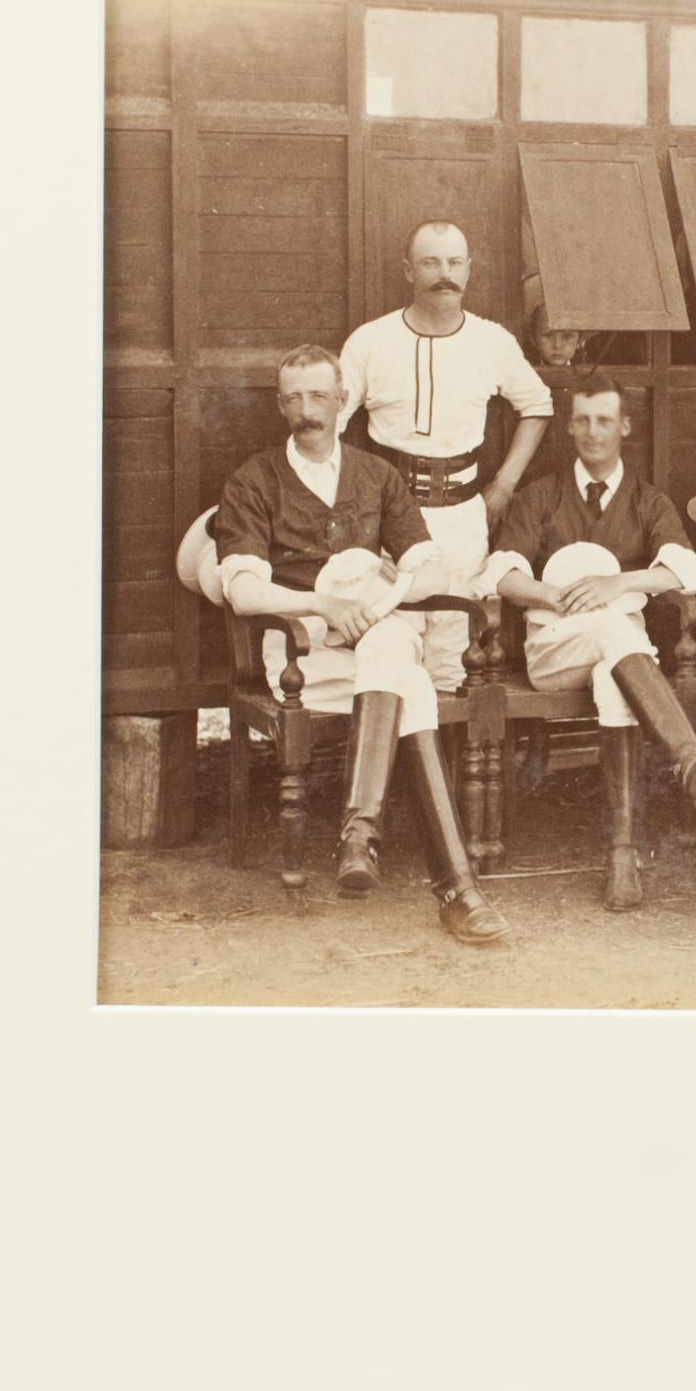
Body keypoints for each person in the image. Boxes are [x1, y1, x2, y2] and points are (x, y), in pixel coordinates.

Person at [209, 344, 508, 944]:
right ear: (278, 404)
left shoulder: (377, 475)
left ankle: (362, 838)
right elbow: (242, 592)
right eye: (292, 397)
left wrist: (381, 604)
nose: (306, 410)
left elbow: (431, 572)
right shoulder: (254, 480)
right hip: (302, 656)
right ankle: (452, 886)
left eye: (319, 395)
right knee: (408, 678)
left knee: (390, 650)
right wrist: (323, 605)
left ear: (344, 400)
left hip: (376, 642)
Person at [483, 376, 696, 910]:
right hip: (553, 652)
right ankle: (686, 756)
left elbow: (686, 571)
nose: (593, 432)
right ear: (570, 427)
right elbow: (500, 575)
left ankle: (622, 855)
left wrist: (620, 583)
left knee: (615, 672)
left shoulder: (646, 500)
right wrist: (556, 594)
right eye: (584, 420)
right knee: (618, 631)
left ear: (624, 426)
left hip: (615, 662)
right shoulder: (541, 496)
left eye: (604, 420)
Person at [338, 219, 554, 692]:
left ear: (470, 269)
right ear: (408, 270)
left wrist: (505, 483)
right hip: (390, 517)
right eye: (431, 262)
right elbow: (331, 422)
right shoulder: (370, 342)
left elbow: (538, 405)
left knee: (456, 652)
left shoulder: (490, 340)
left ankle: (450, 766)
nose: (444, 273)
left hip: (462, 515)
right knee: (393, 638)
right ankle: (404, 764)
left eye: (454, 262)